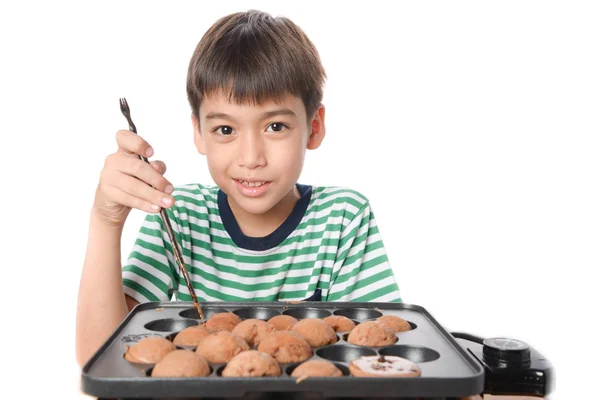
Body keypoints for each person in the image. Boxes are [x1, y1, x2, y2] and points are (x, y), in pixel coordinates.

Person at [76, 9, 401, 367]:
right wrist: (105, 220)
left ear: (314, 126)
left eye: (275, 126)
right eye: (226, 130)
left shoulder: (341, 219)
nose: (251, 158)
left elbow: (380, 353)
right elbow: (99, 356)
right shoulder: (180, 214)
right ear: (199, 132)